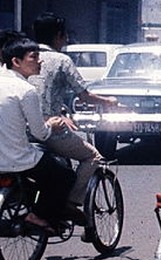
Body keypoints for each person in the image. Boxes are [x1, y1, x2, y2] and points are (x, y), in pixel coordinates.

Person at [29, 13, 118, 212]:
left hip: (18, 128)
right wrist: (108, 101)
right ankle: (70, 203)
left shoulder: (23, 56)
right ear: (59, 36)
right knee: (93, 156)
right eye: (65, 35)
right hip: (48, 128)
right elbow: (84, 95)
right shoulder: (61, 60)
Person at [0, 34, 76, 229]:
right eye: (33, 57)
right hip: (16, 159)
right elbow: (41, 134)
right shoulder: (26, 90)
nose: (40, 61)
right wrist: (52, 123)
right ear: (16, 61)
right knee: (65, 175)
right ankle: (38, 215)